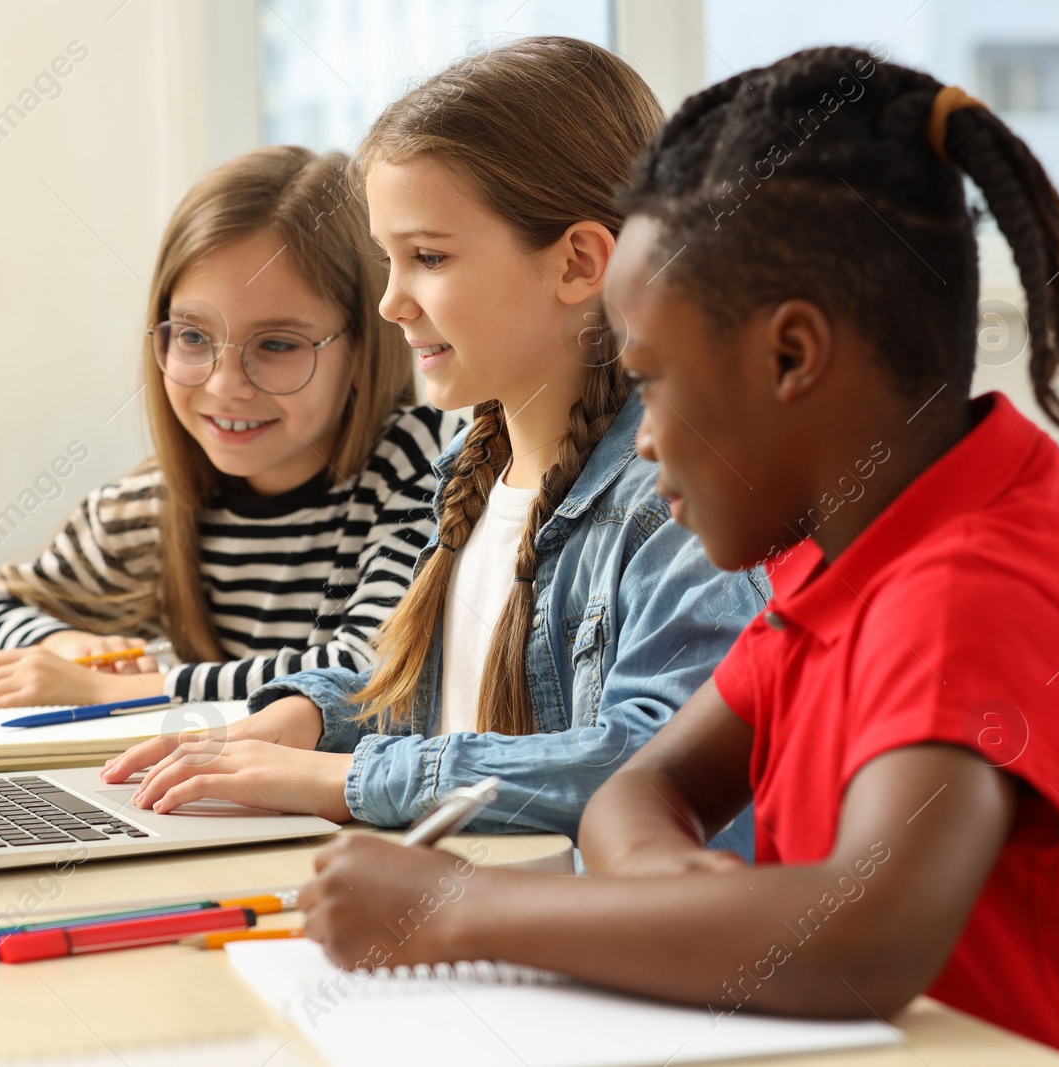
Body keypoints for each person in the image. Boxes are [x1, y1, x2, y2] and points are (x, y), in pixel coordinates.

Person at [293, 48, 1059, 1067]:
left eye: (656, 379)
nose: (640, 434)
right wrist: (672, 886)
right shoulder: (837, 561)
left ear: (790, 357)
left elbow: (864, 936)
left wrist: (462, 908)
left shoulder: (972, 587)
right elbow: (644, 784)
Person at [103, 37, 764, 849]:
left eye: (427, 257)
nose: (389, 304)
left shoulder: (675, 500)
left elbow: (652, 765)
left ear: (579, 263)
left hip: (596, 959)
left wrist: (347, 780)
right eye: (388, 260)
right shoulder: (471, 469)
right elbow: (430, 697)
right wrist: (307, 716)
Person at [0, 146, 464, 708]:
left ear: (362, 350)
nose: (224, 385)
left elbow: (364, 671)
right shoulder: (147, 511)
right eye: (193, 337)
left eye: (277, 344)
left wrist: (120, 689)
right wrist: (66, 648)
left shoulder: (425, 465)